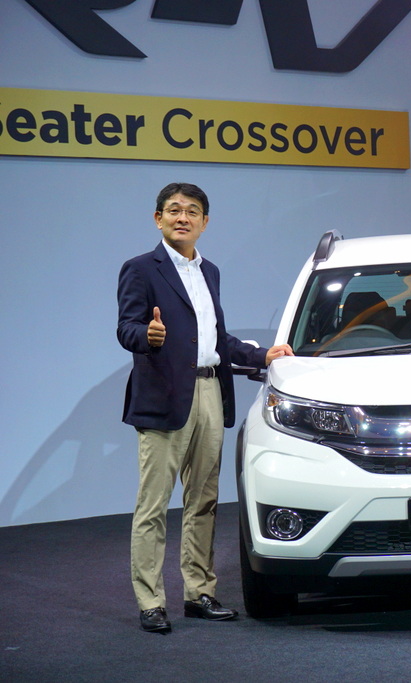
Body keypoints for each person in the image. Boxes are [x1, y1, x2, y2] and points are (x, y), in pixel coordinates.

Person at [116, 182, 294, 633]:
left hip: (211, 391)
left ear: (205, 222)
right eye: (174, 210)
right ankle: (151, 601)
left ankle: (199, 593)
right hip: (164, 397)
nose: (183, 217)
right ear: (158, 218)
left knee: (204, 500)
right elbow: (127, 328)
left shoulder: (209, 271)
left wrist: (262, 355)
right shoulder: (140, 269)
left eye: (192, 211)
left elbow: (216, 339)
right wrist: (148, 336)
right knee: (153, 504)